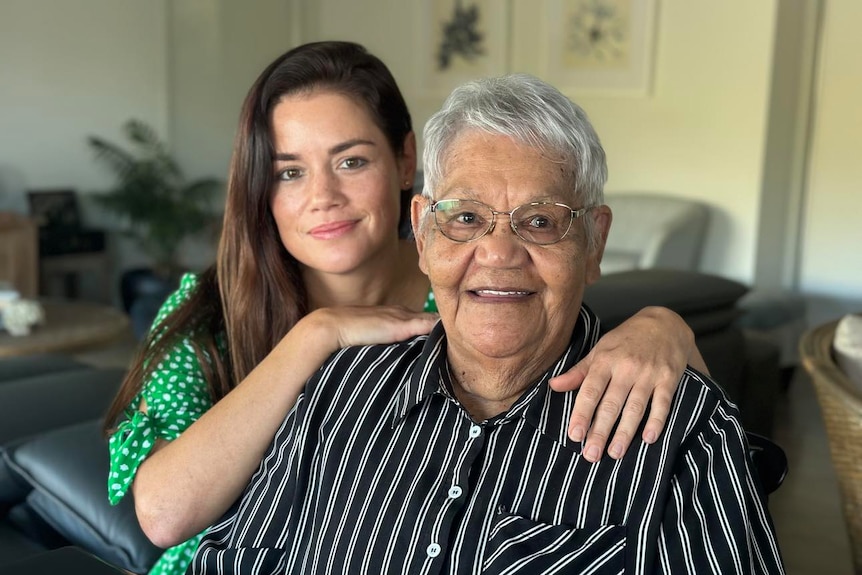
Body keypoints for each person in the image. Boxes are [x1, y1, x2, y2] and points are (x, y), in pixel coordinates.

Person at [104, 42, 707, 575]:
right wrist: (316, 335)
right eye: (289, 172)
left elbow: (563, 297)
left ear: (403, 161)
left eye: (351, 161)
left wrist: (667, 327)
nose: (322, 197)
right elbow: (162, 515)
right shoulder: (213, 308)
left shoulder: (464, 281)